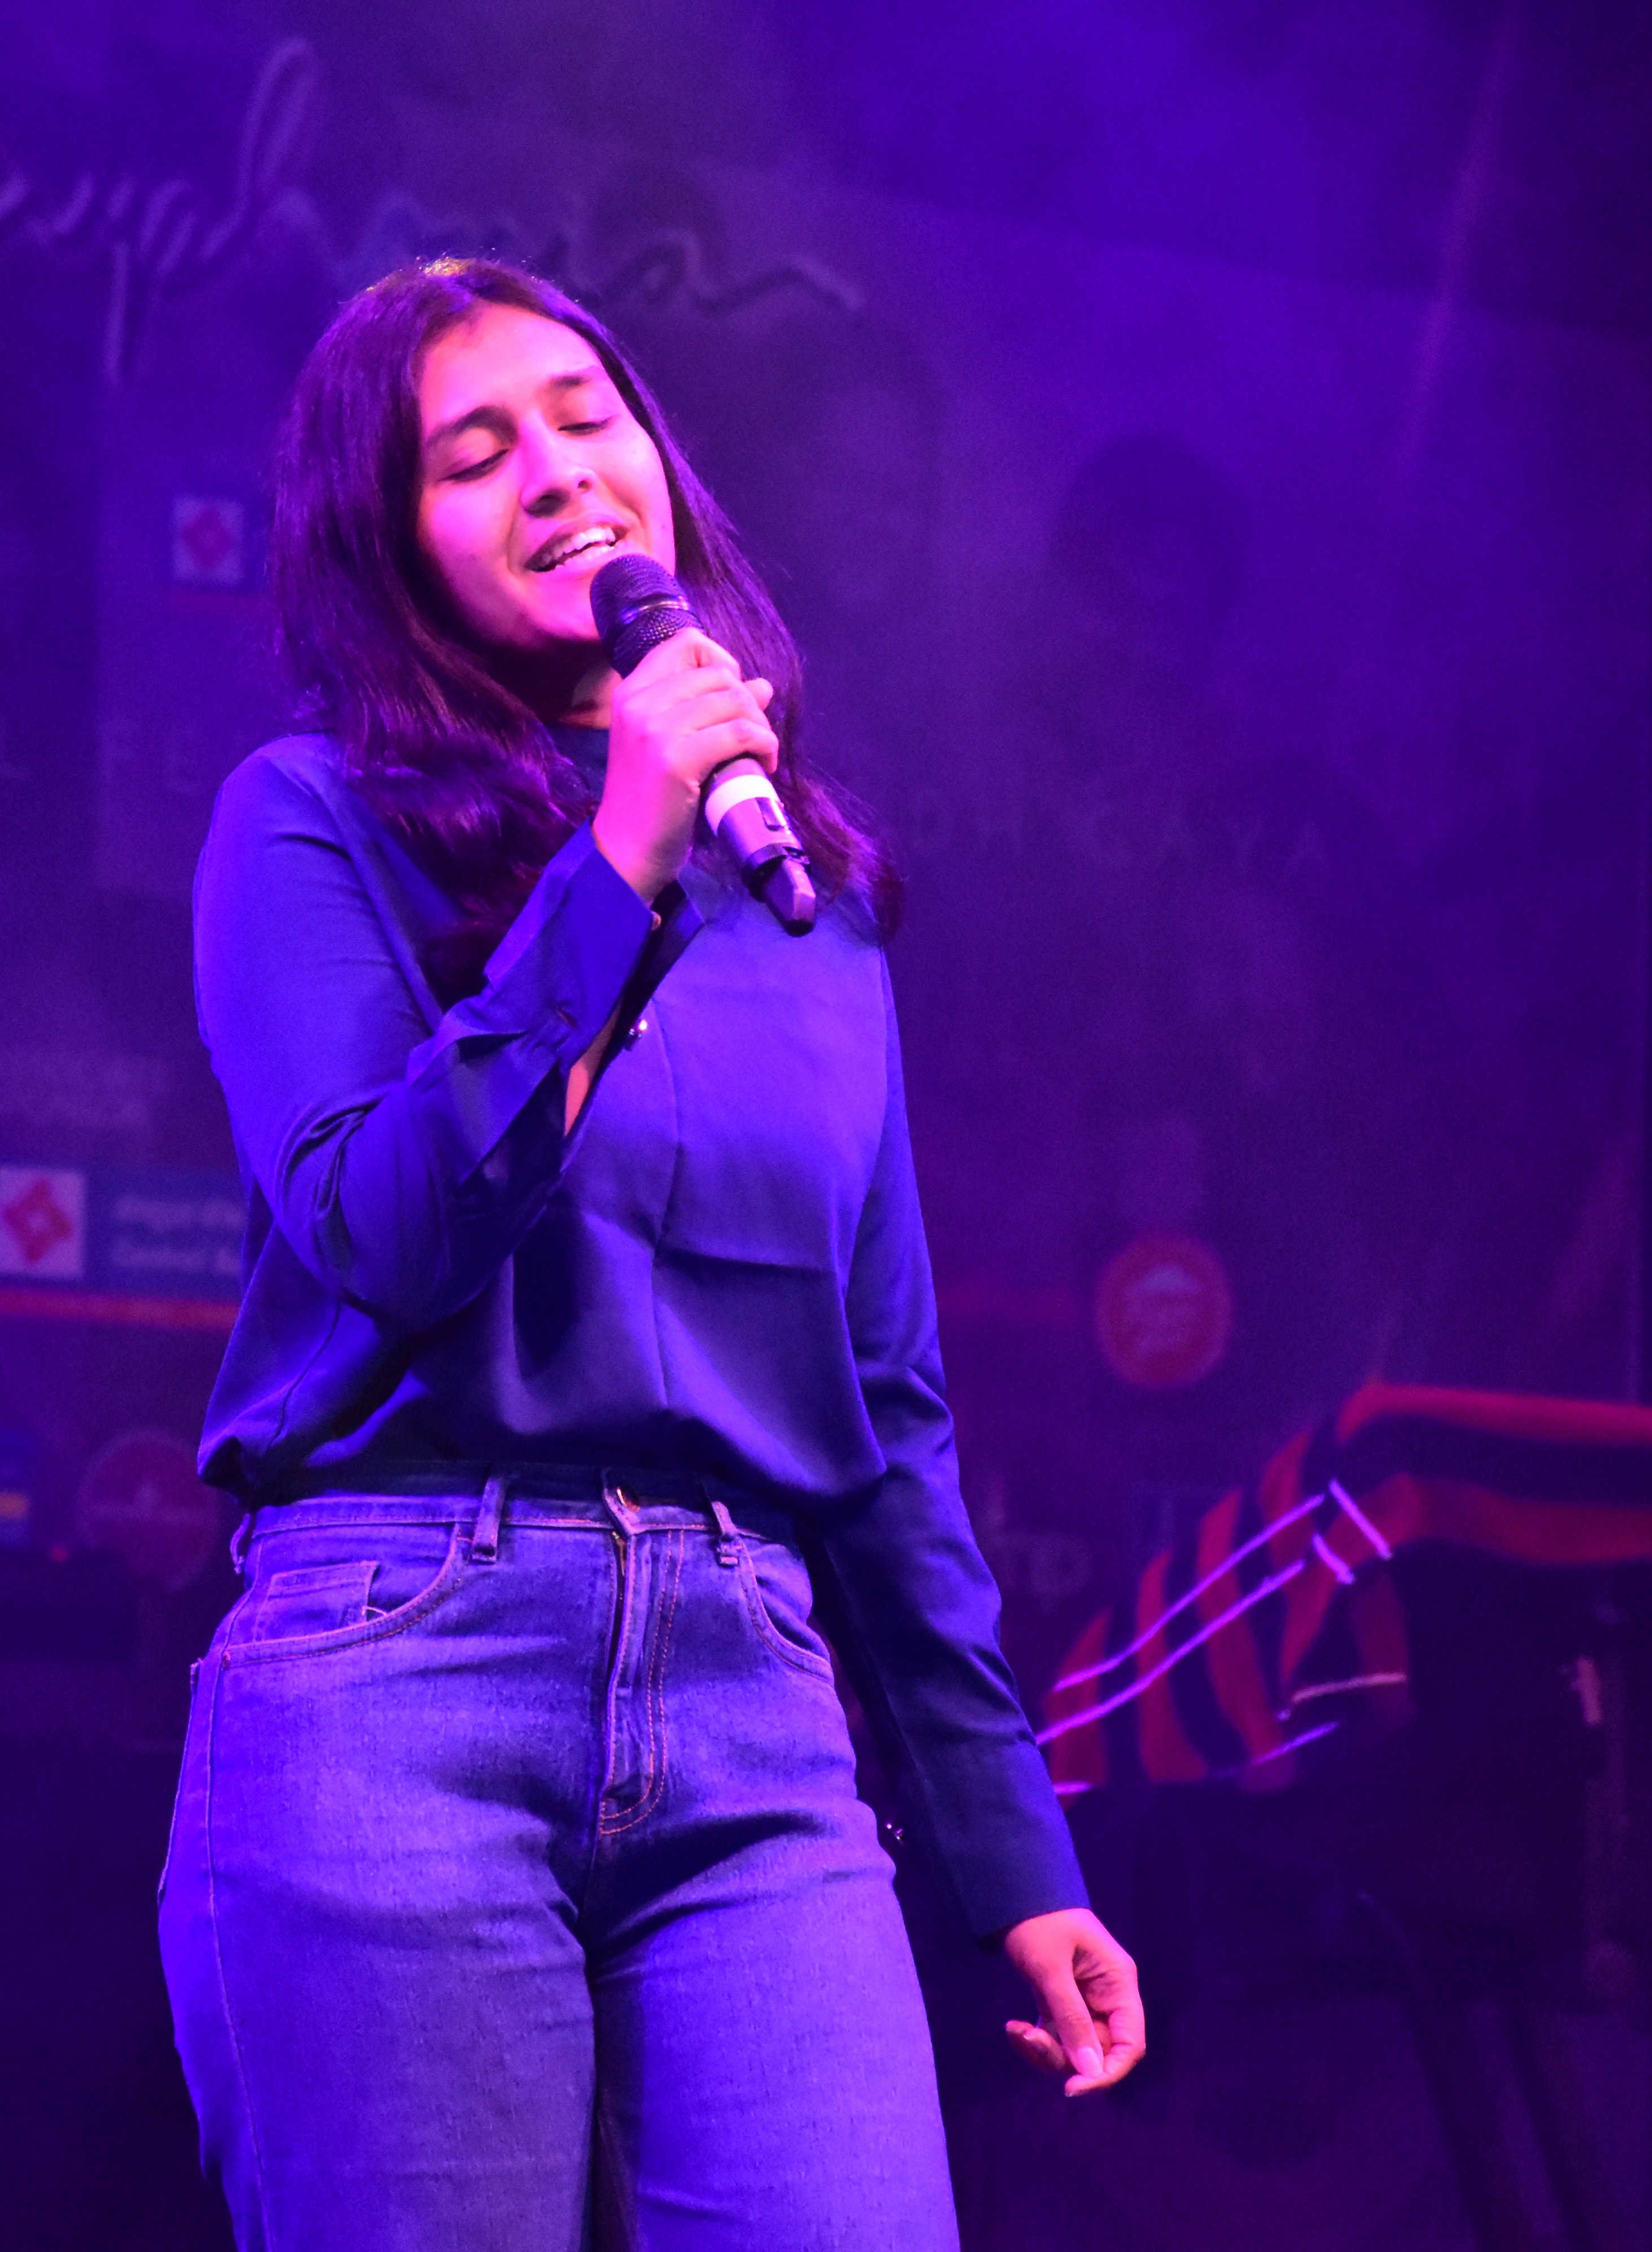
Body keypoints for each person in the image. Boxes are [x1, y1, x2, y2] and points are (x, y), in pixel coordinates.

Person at [160, 256, 1144, 2251]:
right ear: (387, 542)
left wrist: (1013, 1851)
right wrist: (615, 857)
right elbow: (389, 1232)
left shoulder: (808, 901)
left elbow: (887, 1411)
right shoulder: (307, 825)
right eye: (473, 454)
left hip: (753, 1700)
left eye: (588, 416)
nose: (556, 473)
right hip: (406, 1660)